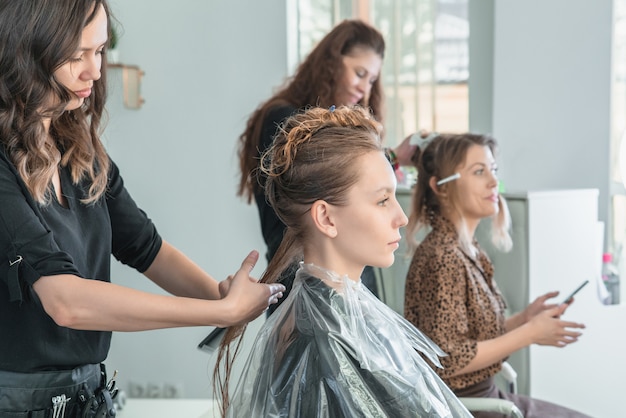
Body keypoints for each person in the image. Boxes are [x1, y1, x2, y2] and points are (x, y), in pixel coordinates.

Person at [0, 1, 285, 417]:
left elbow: (146, 247)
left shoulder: (81, 154)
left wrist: (223, 298)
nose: (95, 72)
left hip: (88, 396)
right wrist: (219, 311)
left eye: (99, 52)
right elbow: (65, 301)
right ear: (26, 52)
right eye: (76, 55)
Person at [215, 106, 473, 418]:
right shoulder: (323, 338)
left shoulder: (337, 314)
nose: (401, 218)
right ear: (325, 217)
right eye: (382, 201)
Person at [236, 19, 419, 313]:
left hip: (343, 281)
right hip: (306, 283)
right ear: (331, 63)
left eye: (372, 80)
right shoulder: (282, 119)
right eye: (359, 73)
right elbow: (331, 182)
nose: (364, 87)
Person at [404, 133, 592, 417]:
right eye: (479, 172)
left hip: (487, 398)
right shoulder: (441, 257)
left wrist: (522, 320)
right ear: (439, 188)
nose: (493, 182)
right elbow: (448, 358)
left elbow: (466, 337)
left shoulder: (467, 250)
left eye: (493, 170)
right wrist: (530, 333)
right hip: (467, 408)